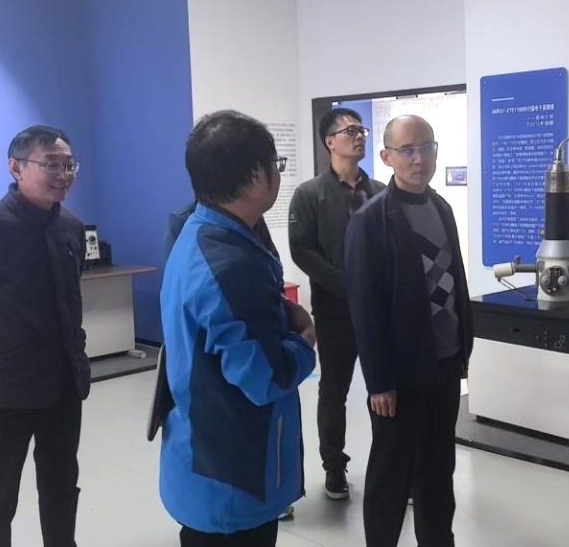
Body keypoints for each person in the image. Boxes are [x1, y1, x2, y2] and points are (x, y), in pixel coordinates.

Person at [159, 110, 316, 546]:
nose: (277, 174)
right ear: (254, 176)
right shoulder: (230, 264)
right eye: (275, 164)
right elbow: (265, 379)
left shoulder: (202, 230)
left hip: (204, 453)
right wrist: (304, 340)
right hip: (232, 475)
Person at [345, 115, 473, 547]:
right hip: (399, 375)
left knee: (438, 470)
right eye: (407, 150)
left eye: (427, 147)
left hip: (444, 365)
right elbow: (365, 309)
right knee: (391, 475)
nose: (419, 159)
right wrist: (379, 381)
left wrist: (462, 349)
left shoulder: (441, 208)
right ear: (386, 157)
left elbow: (454, 282)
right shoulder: (371, 220)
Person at [0, 126, 89, 547]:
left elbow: (71, 301)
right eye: (51, 165)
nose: (63, 175)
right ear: (15, 168)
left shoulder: (70, 225)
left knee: (61, 486)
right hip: (5, 389)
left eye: (69, 165)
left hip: (64, 385)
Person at [288, 108, 385, 499]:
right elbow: (302, 250)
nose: (360, 136)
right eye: (351, 130)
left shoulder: (380, 192)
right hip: (335, 309)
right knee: (334, 390)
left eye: (362, 130)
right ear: (330, 141)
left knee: (385, 387)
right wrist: (347, 286)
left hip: (378, 310)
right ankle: (334, 466)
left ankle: (390, 466)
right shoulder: (310, 194)